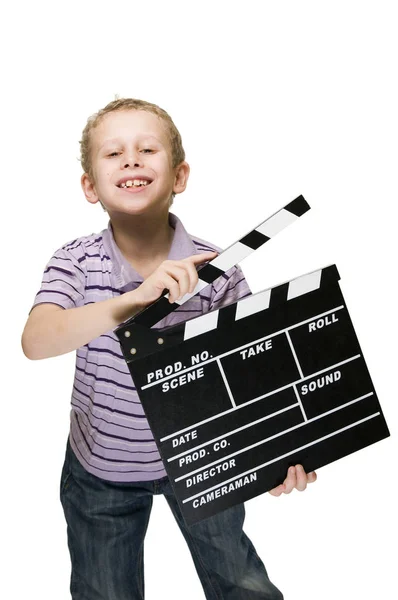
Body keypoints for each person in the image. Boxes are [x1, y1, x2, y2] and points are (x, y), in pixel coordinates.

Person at [21, 98, 317, 599]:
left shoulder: (218, 268)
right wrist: (132, 301)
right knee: (104, 591)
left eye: (147, 149)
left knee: (242, 583)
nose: (132, 159)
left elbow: (254, 373)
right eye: (114, 153)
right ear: (90, 187)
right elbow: (37, 340)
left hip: (206, 460)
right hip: (102, 468)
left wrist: (280, 451)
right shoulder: (77, 262)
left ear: (179, 176)